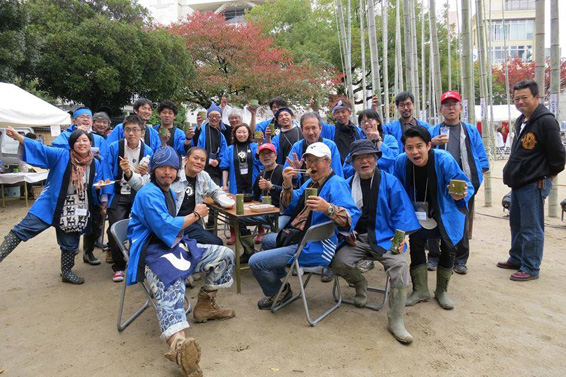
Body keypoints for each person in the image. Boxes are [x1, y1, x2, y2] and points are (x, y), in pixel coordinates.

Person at [126, 146, 235, 377]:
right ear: (154, 169)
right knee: (171, 282)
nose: (167, 172)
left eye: (171, 168)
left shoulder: (168, 190)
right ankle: (178, 346)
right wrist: (196, 215)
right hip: (152, 250)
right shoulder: (148, 194)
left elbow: (172, 226)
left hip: (175, 243)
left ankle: (205, 304)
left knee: (224, 255)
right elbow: (165, 226)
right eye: (162, 167)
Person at [249, 142, 359, 308]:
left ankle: (276, 292)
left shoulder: (336, 183)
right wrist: (287, 183)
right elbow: (290, 206)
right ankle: (282, 289)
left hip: (316, 246)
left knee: (255, 261)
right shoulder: (310, 183)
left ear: (328, 162)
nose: (311, 165)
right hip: (298, 236)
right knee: (267, 241)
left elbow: (351, 216)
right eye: (308, 161)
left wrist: (328, 208)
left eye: (317, 161)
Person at [332, 139, 420, 344]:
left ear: (376, 159)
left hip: (384, 238)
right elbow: (340, 217)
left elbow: (401, 212)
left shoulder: (390, 182)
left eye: (368, 156)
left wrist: (400, 237)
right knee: (338, 262)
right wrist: (346, 233)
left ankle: (396, 320)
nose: (364, 161)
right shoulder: (345, 185)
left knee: (400, 266)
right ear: (352, 162)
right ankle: (360, 283)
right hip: (357, 239)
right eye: (359, 158)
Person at [0, 128, 108, 284]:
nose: (81, 143)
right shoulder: (61, 155)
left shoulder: (96, 163)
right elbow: (41, 149)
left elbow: (98, 184)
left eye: (85, 140)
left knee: (70, 243)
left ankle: (66, 272)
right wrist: (18, 137)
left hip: (76, 208)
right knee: (22, 230)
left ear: (91, 143)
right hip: (50, 203)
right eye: (77, 140)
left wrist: (100, 190)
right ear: (71, 144)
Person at [394, 127, 473, 310]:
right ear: (404, 149)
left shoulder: (444, 160)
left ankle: (441, 291)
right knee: (416, 245)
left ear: (429, 145)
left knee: (449, 247)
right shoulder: (400, 163)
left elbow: (463, 184)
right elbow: (396, 190)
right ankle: (420, 290)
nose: (414, 152)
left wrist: (461, 196)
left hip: (445, 210)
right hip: (417, 212)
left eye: (419, 146)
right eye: (409, 147)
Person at [497, 80, 566, 281]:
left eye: (524, 97)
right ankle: (517, 258)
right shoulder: (522, 120)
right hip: (519, 183)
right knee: (516, 223)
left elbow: (558, 156)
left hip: (534, 182)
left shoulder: (545, 121)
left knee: (531, 226)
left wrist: (547, 176)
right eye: (516, 98)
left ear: (536, 97)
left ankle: (531, 266)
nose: (520, 102)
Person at [427, 91, 489, 275]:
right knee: (435, 220)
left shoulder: (470, 130)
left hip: (462, 184)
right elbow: (421, 152)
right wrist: (431, 142)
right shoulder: (434, 131)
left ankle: (460, 260)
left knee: (462, 220)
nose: (451, 107)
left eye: (454, 104)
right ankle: (434, 256)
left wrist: (475, 180)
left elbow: (481, 157)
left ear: (461, 108)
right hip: (439, 184)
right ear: (441, 110)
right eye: (446, 104)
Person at [52, 107, 109, 266]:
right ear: (74, 120)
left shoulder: (100, 139)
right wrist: (77, 142)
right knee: (71, 222)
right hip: (72, 191)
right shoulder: (64, 136)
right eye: (82, 117)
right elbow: (57, 154)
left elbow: (106, 161)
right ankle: (70, 250)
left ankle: (88, 252)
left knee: (93, 223)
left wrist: (104, 194)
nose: (85, 120)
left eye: (88, 117)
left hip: (93, 188)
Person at [104, 115, 154, 282]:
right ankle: (118, 266)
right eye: (128, 130)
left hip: (138, 194)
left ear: (142, 131)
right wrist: (105, 197)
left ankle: (137, 261)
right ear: (123, 131)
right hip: (118, 193)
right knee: (115, 226)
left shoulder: (148, 150)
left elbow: (151, 177)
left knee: (140, 227)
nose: (131, 133)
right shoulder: (114, 147)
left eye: (135, 130)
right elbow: (107, 172)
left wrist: (145, 173)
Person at [172, 147, 235, 245]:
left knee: (217, 242)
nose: (198, 162)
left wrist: (225, 200)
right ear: (186, 159)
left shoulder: (204, 176)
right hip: (175, 224)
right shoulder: (174, 175)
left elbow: (215, 191)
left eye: (202, 160)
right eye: (195, 158)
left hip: (193, 223)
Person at [219, 123, 260, 245]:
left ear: (249, 134)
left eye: (244, 132)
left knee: (255, 206)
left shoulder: (254, 146)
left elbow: (260, 161)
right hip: (236, 183)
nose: (242, 134)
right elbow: (225, 167)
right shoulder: (230, 149)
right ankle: (233, 233)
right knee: (234, 209)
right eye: (239, 132)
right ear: (235, 134)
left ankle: (261, 230)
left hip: (252, 181)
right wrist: (225, 185)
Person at [284, 112, 344, 187]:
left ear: (320, 128)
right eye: (307, 128)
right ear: (301, 130)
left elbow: (337, 174)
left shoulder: (330, 146)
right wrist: (296, 173)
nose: (311, 132)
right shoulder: (297, 147)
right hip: (304, 191)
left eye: (314, 128)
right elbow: (287, 174)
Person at [343, 109, 400, 177]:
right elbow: (347, 168)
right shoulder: (358, 144)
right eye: (363, 122)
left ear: (378, 122)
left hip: (386, 180)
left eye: (370, 120)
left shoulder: (389, 139)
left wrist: (378, 140)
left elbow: (392, 159)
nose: (366, 124)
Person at [325, 98, 363, 163]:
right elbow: (318, 124)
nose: (340, 115)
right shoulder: (330, 130)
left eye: (343, 111)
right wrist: (315, 110)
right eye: (337, 112)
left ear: (349, 112)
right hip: (338, 167)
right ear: (334, 115)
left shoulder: (358, 131)